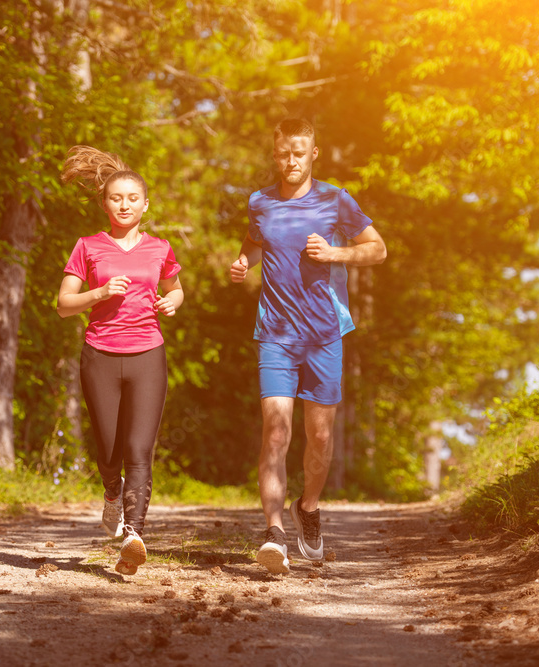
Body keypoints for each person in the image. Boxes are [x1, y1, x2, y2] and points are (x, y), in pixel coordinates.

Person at [231, 118, 387, 574]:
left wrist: (337, 253)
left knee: (319, 436)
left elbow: (377, 249)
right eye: (284, 153)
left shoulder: (335, 200)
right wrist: (244, 261)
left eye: (300, 152)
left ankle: (310, 508)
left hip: (324, 333)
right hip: (275, 333)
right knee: (276, 431)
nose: (291, 160)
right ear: (275, 154)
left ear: (314, 153)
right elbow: (254, 241)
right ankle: (274, 532)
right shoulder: (260, 202)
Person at [57, 145, 184, 575]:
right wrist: (99, 293)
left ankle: (134, 534)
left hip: (148, 353)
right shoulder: (88, 247)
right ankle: (112, 491)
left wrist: (173, 302)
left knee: (138, 448)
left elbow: (176, 287)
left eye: (133, 198)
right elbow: (63, 304)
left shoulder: (159, 247)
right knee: (109, 449)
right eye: (116, 198)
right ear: (105, 203)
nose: (124, 204)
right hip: (101, 356)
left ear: (145, 204)